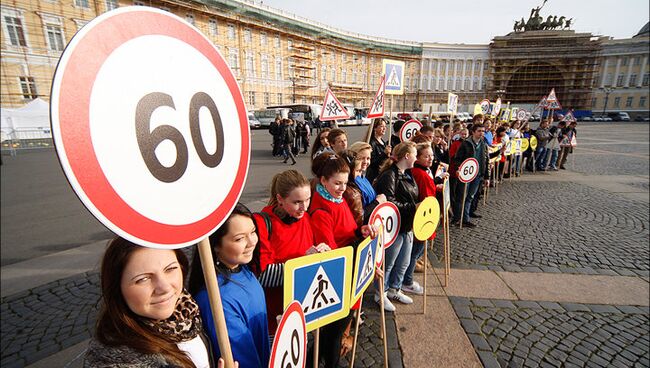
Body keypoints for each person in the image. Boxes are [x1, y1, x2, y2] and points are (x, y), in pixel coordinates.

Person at [84, 237, 216, 368]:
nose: (164, 288)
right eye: (143, 279)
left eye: (170, 269)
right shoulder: (111, 360)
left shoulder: (187, 313)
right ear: (117, 289)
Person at [309, 153, 376, 367]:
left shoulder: (337, 198)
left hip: (350, 274)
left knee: (332, 333)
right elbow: (332, 255)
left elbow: (348, 230)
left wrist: (361, 231)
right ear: (323, 181)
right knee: (333, 333)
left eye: (345, 183)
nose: (342, 188)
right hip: (339, 280)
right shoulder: (321, 209)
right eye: (337, 183)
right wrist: (358, 243)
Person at [189, 204, 270, 368]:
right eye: (239, 238)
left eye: (253, 232)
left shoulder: (242, 269)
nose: (251, 242)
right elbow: (243, 360)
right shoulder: (218, 299)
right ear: (216, 245)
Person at [254, 170, 327, 334]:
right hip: (274, 315)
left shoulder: (305, 218)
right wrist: (302, 263)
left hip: (302, 306)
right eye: (297, 202)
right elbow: (262, 275)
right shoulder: (262, 223)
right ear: (280, 199)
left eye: (308, 200)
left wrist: (324, 255)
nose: (304, 207)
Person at [373, 141, 419, 311]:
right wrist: (413, 207)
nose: (416, 157)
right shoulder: (390, 175)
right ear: (407, 156)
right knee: (389, 263)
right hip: (394, 227)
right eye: (414, 154)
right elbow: (389, 201)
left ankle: (394, 289)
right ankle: (381, 293)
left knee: (404, 262)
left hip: (407, 224)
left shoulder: (407, 173)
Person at [450, 124, 490, 227]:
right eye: (479, 131)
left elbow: (486, 161)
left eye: (483, 131)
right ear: (473, 132)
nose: (481, 133)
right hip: (466, 174)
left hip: (478, 175)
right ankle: (457, 218)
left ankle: (465, 219)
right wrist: (459, 168)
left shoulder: (484, 144)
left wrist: (486, 177)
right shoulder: (465, 143)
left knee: (470, 197)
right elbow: (457, 159)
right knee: (461, 197)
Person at [366, 118, 391, 184]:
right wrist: (384, 153)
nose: (384, 128)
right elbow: (372, 162)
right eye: (382, 126)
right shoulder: (371, 143)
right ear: (375, 128)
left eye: (385, 126)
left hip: (382, 174)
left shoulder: (383, 142)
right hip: (374, 176)